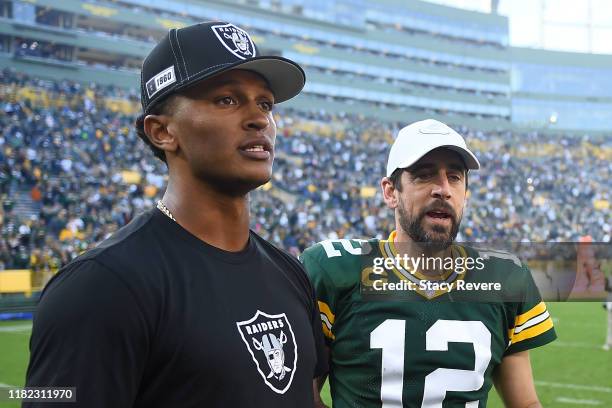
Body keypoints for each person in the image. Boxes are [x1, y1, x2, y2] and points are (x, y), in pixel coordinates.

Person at [25, 21, 327, 407]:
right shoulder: (98, 286)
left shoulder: (290, 272)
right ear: (162, 132)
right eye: (227, 100)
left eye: (265, 103)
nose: (259, 118)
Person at [302, 119, 556, 407]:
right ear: (390, 192)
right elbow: (300, 398)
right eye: (424, 175)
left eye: (455, 177)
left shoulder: (506, 277)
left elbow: (525, 403)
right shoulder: (334, 270)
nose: (443, 189)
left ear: (465, 195)